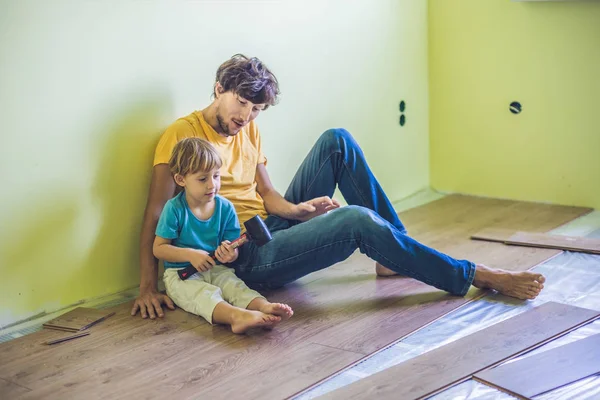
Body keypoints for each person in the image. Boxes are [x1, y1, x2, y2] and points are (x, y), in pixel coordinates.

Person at [132, 54, 545, 320]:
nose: (247, 116)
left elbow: (269, 196)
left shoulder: (249, 131)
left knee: (338, 140)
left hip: (266, 225)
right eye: (242, 103)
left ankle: (394, 254)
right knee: (355, 222)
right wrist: (148, 287)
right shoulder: (183, 135)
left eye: (256, 110)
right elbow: (155, 213)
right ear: (220, 89)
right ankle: (474, 275)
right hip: (241, 255)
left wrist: (299, 211)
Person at [152, 137, 293, 332]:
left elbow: (231, 248)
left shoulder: (225, 207)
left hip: (215, 269)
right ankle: (236, 316)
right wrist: (190, 255)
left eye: (216, 176)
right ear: (180, 179)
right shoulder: (174, 208)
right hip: (181, 275)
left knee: (234, 285)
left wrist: (230, 254)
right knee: (204, 295)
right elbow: (159, 249)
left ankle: (262, 306)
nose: (212, 185)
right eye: (203, 179)